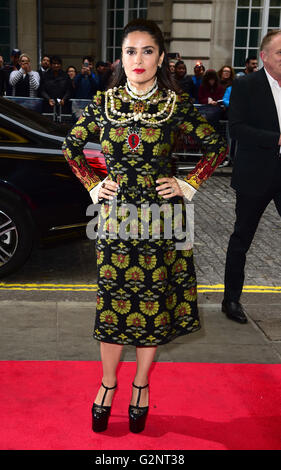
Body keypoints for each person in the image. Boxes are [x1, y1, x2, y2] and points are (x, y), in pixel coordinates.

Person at [62, 18, 227, 434]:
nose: (138, 59)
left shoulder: (177, 106)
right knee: (115, 305)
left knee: (152, 307)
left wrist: (187, 183)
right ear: (121, 57)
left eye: (147, 51)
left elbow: (216, 146)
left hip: (161, 220)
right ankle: (107, 383)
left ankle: (140, 385)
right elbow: (71, 147)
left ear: (161, 58)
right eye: (130, 51)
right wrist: (94, 184)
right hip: (116, 219)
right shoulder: (104, 102)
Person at [222, 29, 281, 324]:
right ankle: (231, 299)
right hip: (255, 175)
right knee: (241, 238)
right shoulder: (246, 85)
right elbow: (238, 128)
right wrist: (277, 139)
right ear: (264, 56)